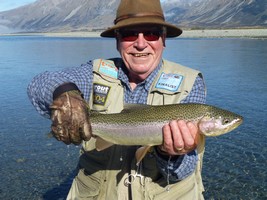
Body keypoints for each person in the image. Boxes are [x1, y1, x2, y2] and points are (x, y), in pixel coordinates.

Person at [28, 0, 206, 199]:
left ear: (163, 39)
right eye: (130, 34)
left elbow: (182, 172)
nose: (140, 43)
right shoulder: (94, 74)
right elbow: (39, 84)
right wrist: (65, 93)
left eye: (151, 33)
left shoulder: (189, 83)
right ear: (117, 40)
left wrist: (168, 153)